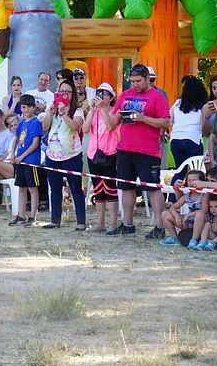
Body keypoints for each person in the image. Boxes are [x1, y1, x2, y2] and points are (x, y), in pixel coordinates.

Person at [107, 64, 171, 238]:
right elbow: (112, 123)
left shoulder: (157, 96)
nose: (135, 84)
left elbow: (166, 123)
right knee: (126, 187)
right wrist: (108, 111)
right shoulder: (125, 95)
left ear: (147, 79)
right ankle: (127, 224)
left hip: (148, 151)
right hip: (125, 149)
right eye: (132, 81)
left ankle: (159, 226)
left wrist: (144, 119)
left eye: (138, 81)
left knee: (152, 187)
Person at [41, 78, 86, 230]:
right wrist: (50, 112)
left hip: (72, 154)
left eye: (67, 91)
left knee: (75, 188)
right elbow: (45, 127)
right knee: (54, 188)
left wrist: (64, 114)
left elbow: (75, 126)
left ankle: (81, 222)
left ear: (72, 94)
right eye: (61, 91)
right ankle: (55, 220)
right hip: (52, 154)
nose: (64, 94)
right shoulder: (52, 109)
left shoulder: (77, 111)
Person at [84, 82, 120, 233]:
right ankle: (100, 224)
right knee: (98, 189)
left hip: (110, 153)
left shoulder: (115, 112)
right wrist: (92, 111)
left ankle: (113, 224)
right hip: (93, 154)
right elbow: (85, 129)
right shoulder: (94, 111)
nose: (101, 96)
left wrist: (104, 109)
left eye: (104, 94)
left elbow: (111, 126)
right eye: (99, 93)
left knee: (110, 189)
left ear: (111, 97)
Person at [8, 95, 42, 226]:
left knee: (32, 188)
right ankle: (21, 215)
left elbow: (35, 144)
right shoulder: (21, 122)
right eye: (23, 107)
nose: (26, 109)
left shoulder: (36, 123)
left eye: (29, 107)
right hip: (20, 160)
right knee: (21, 187)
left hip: (31, 161)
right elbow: (16, 139)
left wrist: (22, 156)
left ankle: (33, 216)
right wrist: (13, 154)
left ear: (33, 107)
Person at [159, 169, 206, 247]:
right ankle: (174, 238)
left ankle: (193, 241)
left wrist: (188, 215)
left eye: (194, 180)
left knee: (200, 214)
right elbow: (173, 207)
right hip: (188, 223)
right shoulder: (187, 195)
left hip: (201, 223)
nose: (191, 182)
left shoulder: (204, 194)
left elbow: (204, 211)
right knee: (165, 214)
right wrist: (177, 216)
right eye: (189, 180)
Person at [169, 75, 208, 169]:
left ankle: (176, 183)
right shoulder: (202, 105)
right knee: (195, 171)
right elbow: (204, 125)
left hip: (176, 139)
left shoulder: (178, 103)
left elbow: (170, 120)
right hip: (193, 139)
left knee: (180, 170)